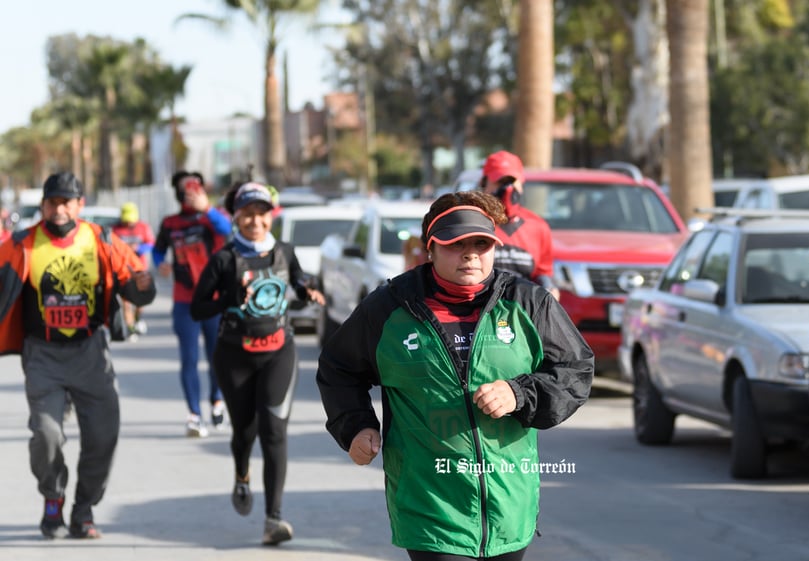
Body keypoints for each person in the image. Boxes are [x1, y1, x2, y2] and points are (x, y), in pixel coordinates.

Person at [317, 191, 594, 560]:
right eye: (455, 244)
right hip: (430, 507)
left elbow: (575, 369)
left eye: (481, 244)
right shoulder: (390, 307)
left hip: (509, 506)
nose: (470, 254)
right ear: (430, 248)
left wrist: (520, 394)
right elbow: (338, 368)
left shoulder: (529, 303)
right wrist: (354, 425)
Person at [0, 172, 156, 539]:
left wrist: (141, 289)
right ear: (43, 205)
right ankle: (52, 497)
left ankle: (83, 510)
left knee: (103, 436)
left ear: (79, 204)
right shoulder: (21, 243)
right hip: (42, 355)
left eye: (66, 201)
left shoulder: (100, 239)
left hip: (90, 352)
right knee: (46, 434)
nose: (59, 208)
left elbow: (136, 280)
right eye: (52, 201)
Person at [190, 181, 325, 545]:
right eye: (247, 214)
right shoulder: (224, 258)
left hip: (279, 350)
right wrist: (227, 298)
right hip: (234, 355)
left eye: (261, 214)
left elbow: (297, 281)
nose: (255, 221)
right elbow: (197, 307)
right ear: (236, 217)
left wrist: (307, 289)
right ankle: (241, 473)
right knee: (244, 431)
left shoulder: (284, 251)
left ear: (271, 217)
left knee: (274, 431)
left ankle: (273, 518)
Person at [153, 171, 232, 437]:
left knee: (217, 357)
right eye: (184, 189)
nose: (189, 192)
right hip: (184, 301)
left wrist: (207, 209)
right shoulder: (171, 223)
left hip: (213, 300)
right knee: (189, 359)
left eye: (194, 187)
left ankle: (217, 401)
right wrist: (159, 263)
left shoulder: (212, 218)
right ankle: (194, 415)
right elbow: (156, 249)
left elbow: (229, 231)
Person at [479, 150, 560, 300]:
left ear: (521, 184)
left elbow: (543, 274)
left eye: (512, 182)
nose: (508, 189)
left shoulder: (538, 227)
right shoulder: (474, 221)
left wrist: (549, 290)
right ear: (484, 183)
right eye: (501, 182)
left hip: (521, 310)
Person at [112, 202, 155, 338]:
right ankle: (130, 327)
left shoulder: (143, 227)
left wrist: (138, 249)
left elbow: (151, 243)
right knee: (126, 301)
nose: (129, 224)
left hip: (140, 268)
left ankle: (138, 319)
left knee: (140, 301)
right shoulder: (116, 229)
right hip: (124, 270)